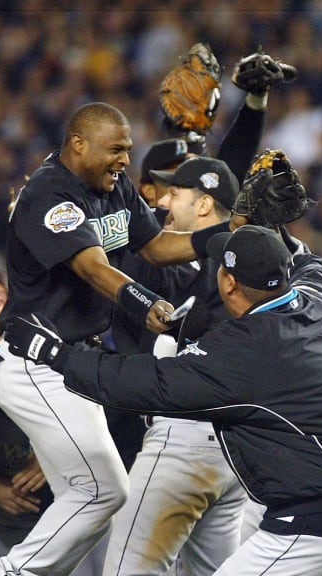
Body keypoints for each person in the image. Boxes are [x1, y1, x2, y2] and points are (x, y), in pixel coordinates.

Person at [2, 224, 322, 576]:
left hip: (317, 525)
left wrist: (57, 355)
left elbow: (146, 384)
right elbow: (315, 271)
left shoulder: (242, 348)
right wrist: (283, 234)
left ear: (228, 283)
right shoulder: (314, 305)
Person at [0, 101, 234, 576]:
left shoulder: (114, 186)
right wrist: (146, 305)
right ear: (79, 144)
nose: (126, 160)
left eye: (128, 150)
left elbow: (157, 247)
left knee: (89, 497)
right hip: (35, 362)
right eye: (116, 149)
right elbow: (93, 268)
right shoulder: (48, 194)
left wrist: (227, 232)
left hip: (73, 363)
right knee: (103, 492)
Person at [102, 156, 248, 576]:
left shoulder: (218, 271)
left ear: (203, 205)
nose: (163, 203)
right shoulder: (254, 260)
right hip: (233, 444)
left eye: (174, 194)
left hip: (183, 436)